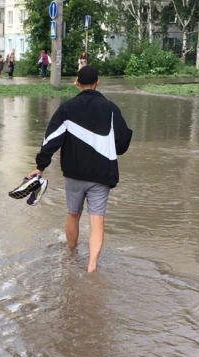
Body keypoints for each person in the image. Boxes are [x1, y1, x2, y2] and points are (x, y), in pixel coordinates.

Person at [27, 66, 132, 273]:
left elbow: (51, 139)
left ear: (77, 83)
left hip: (74, 173)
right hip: (102, 174)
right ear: (98, 82)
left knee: (73, 214)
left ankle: (71, 252)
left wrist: (40, 166)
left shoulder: (67, 109)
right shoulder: (111, 108)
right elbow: (122, 142)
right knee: (97, 219)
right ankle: (92, 265)